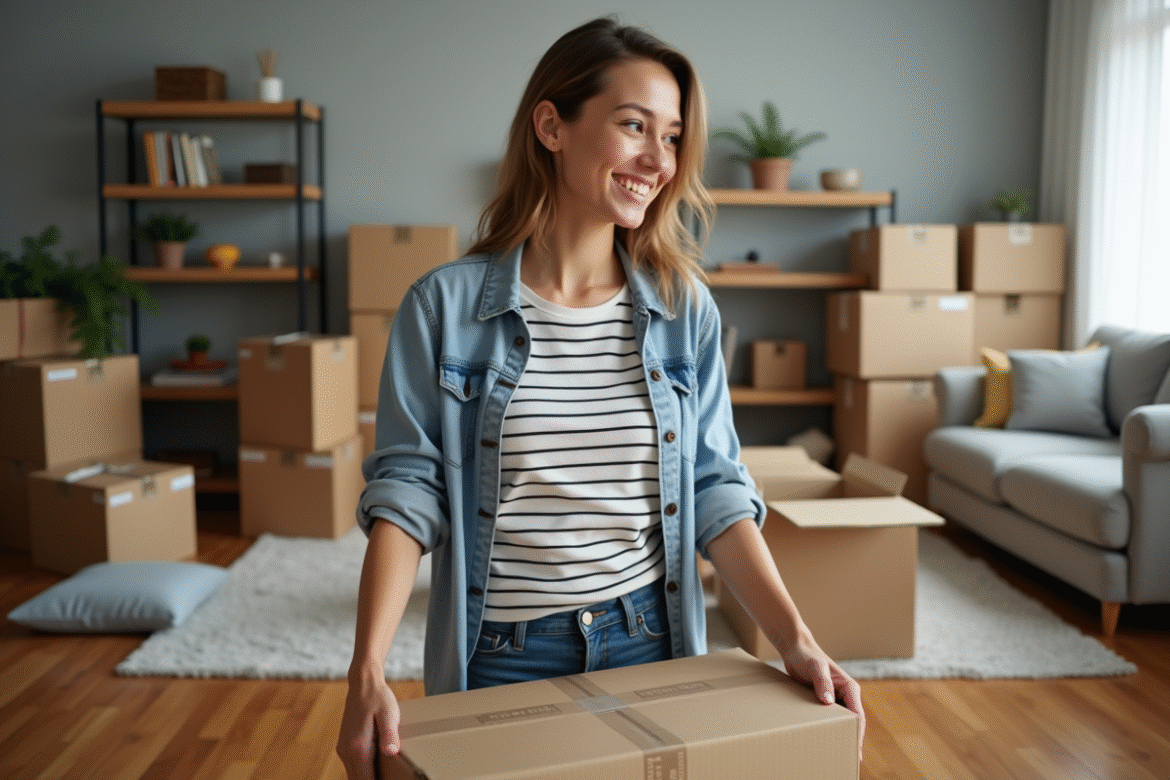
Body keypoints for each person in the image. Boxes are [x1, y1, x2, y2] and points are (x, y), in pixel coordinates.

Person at [337, 16, 865, 779]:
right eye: (633, 126)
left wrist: (796, 639)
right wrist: (368, 671)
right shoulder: (442, 310)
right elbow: (407, 493)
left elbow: (718, 490)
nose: (659, 160)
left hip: (652, 639)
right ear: (551, 125)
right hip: (502, 653)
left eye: (674, 136)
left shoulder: (686, 311)